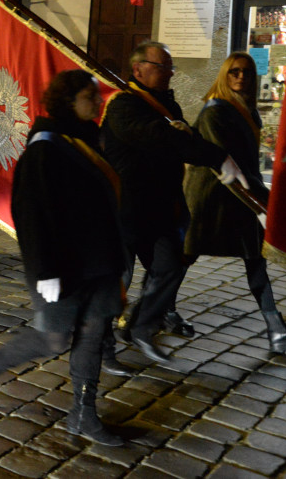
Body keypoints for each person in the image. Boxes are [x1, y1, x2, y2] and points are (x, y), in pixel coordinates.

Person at [0, 70, 126, 446]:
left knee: (91, 336)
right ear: (68, 101)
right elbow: (32, 213)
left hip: (100, 262)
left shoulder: (88, 138)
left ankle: (83, 415)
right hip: (62, 266)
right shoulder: (45, 147)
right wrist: (45, 271)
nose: (98, 101)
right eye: (90, 96)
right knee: (55, 340)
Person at [101, 41, 246, 363]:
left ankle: (140, 327)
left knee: (170, 267)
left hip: (161, 209)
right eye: (162, 67)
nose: (169, 73)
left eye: (170, 68)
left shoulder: (168, 105)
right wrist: (215, 156)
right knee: (116, 282)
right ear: (138, 69)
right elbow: (160, 137)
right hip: (124, 210)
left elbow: (180, 141)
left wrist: (186, 137)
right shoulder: (124, 105)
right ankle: (100, 345)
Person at [183, 52, 286, 353]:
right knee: (183, 259)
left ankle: (276, 328)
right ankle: (143, 319)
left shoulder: (247, 110)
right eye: (234, 72)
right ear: (225, 76)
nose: (240, 77)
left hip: (239, 196)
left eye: (246, 72)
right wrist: (261, 203)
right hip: (213, 197)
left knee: (256, 259)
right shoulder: (215, 111)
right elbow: (225, 163)